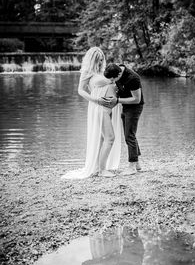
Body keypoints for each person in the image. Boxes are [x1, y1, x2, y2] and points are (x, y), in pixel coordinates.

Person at [61, 47, 122, 179]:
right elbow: (81, 91)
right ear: (92, 60)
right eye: (98, 60)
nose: (100, 63)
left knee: (102, 138)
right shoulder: (87, 72)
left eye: (102, 60)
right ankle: (102, 170)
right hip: (99, 107)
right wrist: (96, 100)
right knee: (110, 138)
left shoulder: (103, 71)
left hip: (110, 108)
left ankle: (97, 167)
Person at [103, 63, 144, 175]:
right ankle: (137, 164)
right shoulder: (115, 71)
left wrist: (117, 101)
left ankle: (132, 166)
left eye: (113, 79)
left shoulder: (133, 78)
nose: (112, 81)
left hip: (135, 107)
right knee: (130, 135)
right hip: (126, 106)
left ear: (119, 73)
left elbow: (137, 99)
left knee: (129, 136)